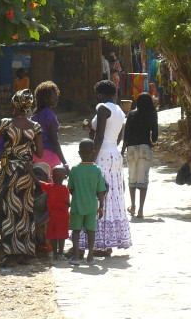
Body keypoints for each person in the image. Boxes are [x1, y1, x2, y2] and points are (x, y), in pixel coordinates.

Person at [0, 89, 44, 267]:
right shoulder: (35, 127)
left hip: (9, 171)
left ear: (14, 104)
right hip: (26, 172)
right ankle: (27, 253)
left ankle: (11, 254)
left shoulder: (5, 123)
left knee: (9, 211)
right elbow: (40, 153)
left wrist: (9, 145)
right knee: (26, 210)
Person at [82, 79, 131, 255]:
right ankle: (106, 244)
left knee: (96, 196)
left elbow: (100, 137)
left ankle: (95, 244)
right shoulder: (119, 111)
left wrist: (90, 161)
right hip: (115, 155)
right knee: (111, 198)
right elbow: (117, 138)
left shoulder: (102, 108)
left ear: (100, 94)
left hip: (102, 155)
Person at [68, 139, 106, 266]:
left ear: (79, 153)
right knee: (91, 231)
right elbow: (101, 191)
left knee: (76, 231)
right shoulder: (97, 170)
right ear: (93, 153)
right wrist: (101, 206)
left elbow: (71, 189)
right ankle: (90, 257)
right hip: (92, 206)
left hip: (77, 205)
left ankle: (76, 257)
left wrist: (79, 196)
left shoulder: (74, 169)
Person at [122, 92, 158, 219]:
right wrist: (153, 143)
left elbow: (126, 135)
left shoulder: (131, 114)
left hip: (131, 148)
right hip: (145, 148)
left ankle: (132, 206)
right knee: (143, 179)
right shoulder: (152, 115)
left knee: (132, 177)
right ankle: (141, 210)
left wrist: (122, 150)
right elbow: (155, 136)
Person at [33, 81, 69, 170]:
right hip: (50, 156)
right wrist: (65, 163)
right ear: (46, 99)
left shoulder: (34, 116)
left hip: (37, 156)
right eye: (54, 96)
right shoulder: (50, 115)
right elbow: (55, 141)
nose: (57, 98)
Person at [42, 166, 70, 259]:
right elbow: (67, 202)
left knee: (53, 236)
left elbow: (38, 182)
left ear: (52, 176)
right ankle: (61, 254)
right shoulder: (65, 189)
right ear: (65, 177)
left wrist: (30, 171)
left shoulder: (50, 187)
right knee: (61, 236)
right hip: (63, 216)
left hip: (52, 216)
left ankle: (55, 254)